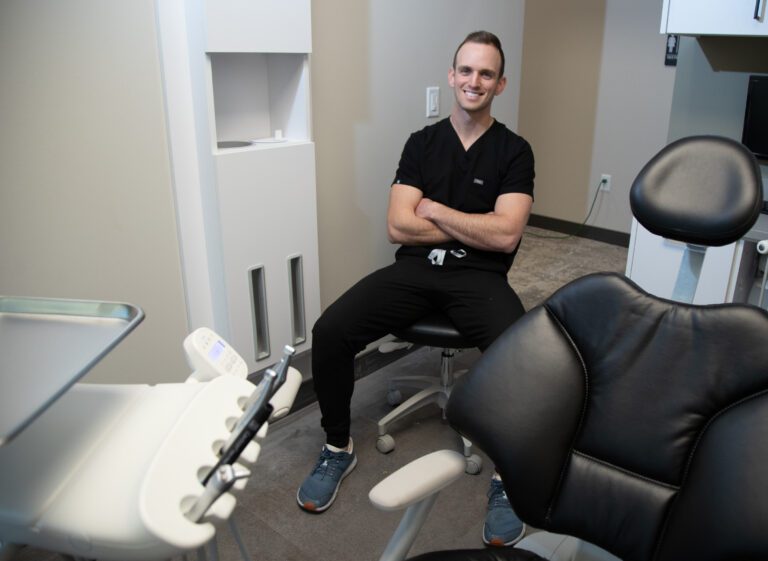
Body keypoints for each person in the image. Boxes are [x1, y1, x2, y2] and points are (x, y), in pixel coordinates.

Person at [296, 30, 535, 548]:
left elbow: (507, 233)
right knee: (331, 330)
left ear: (501, 83)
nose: (475, 82)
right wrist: (476, 222)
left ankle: (507, 478)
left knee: (525, 356)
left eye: (486, 74)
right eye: (466, 71)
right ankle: (338, 446)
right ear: (451, 77)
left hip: (480, 278)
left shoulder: (514, 152)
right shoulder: (421, 143)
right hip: (413, 271)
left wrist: (436, 210)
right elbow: (399, 228)